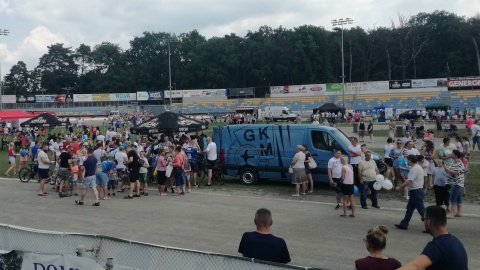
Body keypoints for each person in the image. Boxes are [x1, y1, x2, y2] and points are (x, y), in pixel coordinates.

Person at [398, 206, 468, 270]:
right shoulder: (455, 241)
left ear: (429, 222)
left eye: (423, 219)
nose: (423, 222)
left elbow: (416, 266)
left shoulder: (438, 245)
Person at [395, 155, 425, 230]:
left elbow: (409, 181)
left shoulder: (414, 169)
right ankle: (404, 224)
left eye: (407, 160)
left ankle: (432, 226)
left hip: (416, 192)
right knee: (410, 208)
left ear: (410, 160)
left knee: (421, 210)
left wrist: (399, 187)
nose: (407, 161)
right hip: (415, 191)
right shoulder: (416, 167)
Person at [444, 150, 465, 219]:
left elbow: (455, 172)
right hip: (453, 182)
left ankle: (451, 213)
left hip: (457, 182)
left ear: (456, 155)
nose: (451, 154)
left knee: (453, 198)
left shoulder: (459, 163)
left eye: (452, 153)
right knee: (458, 198)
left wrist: (446, 169)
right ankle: (459, 212)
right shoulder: (453, 162)